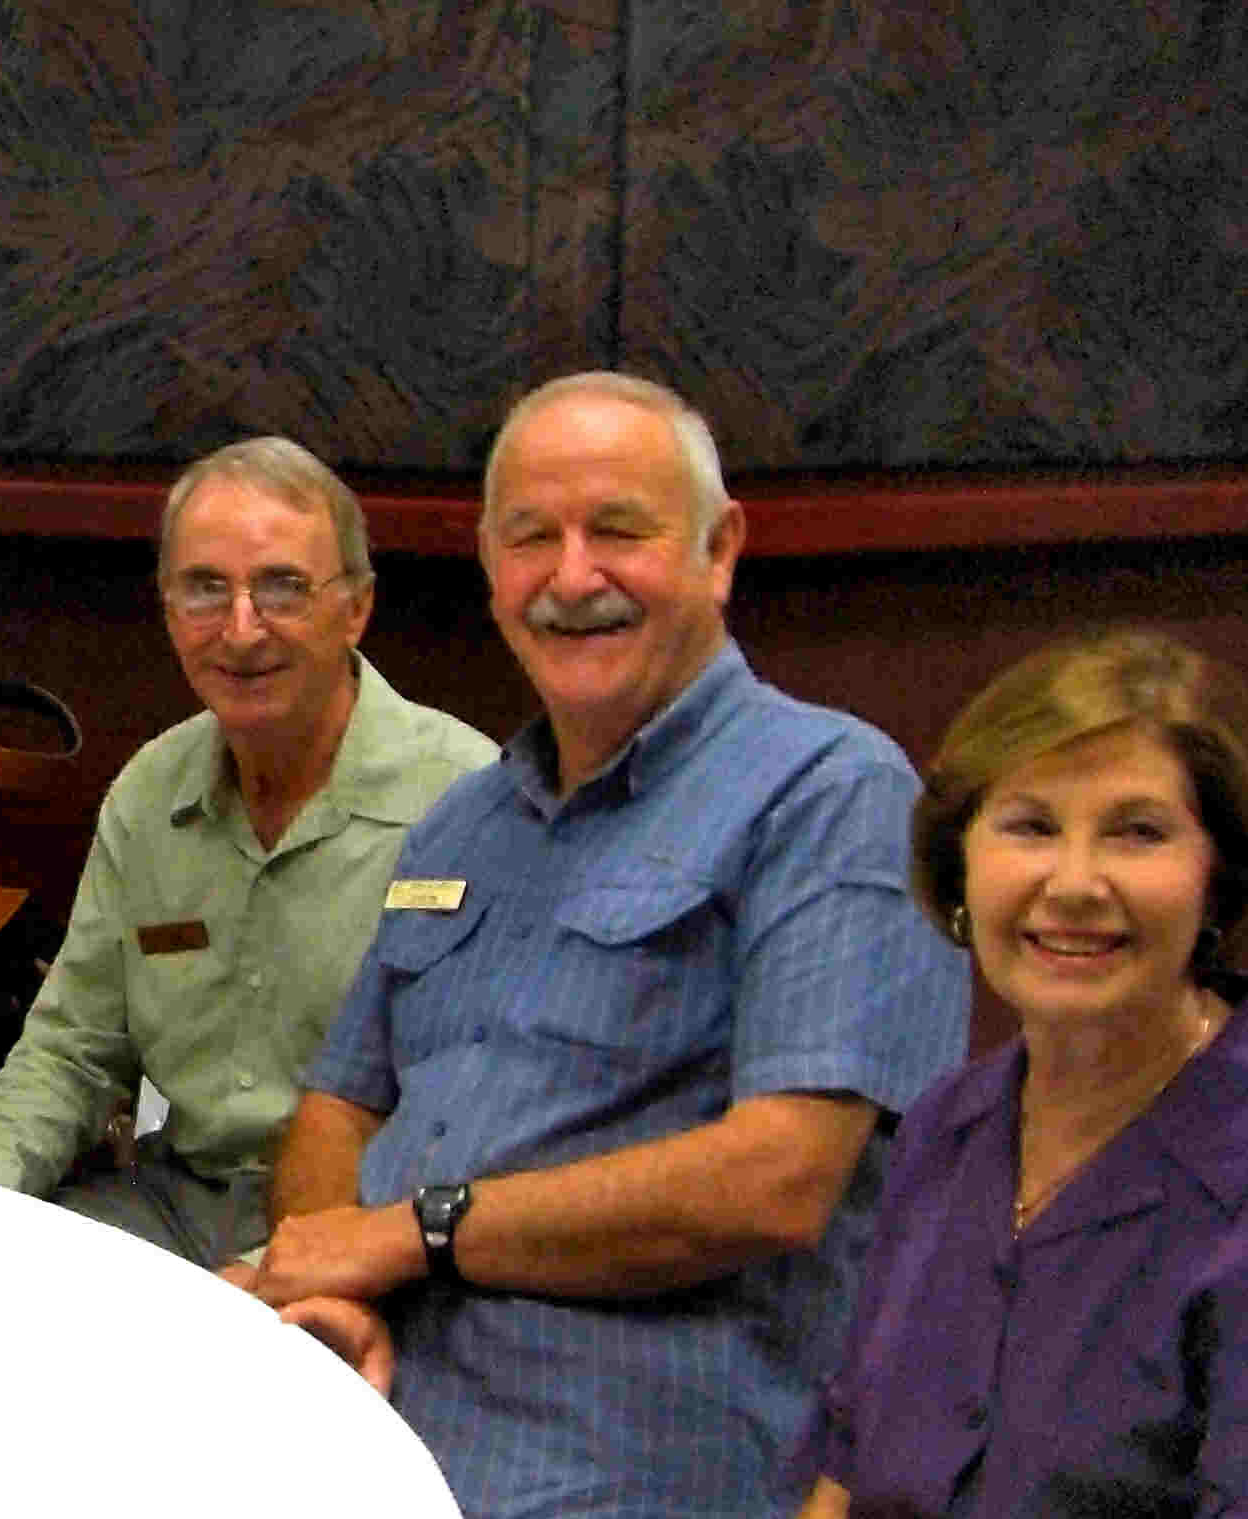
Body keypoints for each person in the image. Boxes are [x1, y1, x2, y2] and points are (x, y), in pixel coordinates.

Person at [245, 372, 968, 1515]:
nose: (571, 578)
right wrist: (347, 1290)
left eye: (617, 531)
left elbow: (776, 1181)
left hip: (616, 1448)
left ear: (720, 549)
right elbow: (343, 1103)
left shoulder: (835, 794)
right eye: (532, 538)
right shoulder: (463, 821)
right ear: (489, 566)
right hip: (363, 1392)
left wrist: (414, 1235)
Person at [0, 437, 494, 1267]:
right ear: (168, 610)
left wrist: (321, 1261)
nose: (242, 630)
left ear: (356, 607)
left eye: (282, 587)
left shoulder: (465, 799)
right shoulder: (149, 795)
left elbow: (491, 1103)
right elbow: (71, 1053)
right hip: (174, 1210)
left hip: (378, 1227)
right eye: (206, 590)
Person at [798, 630, 1248, 1516]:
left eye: (1138, 832)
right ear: (961, 862)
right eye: (1032, 825)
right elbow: (843, 1479)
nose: (1074, 882)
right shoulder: (944, 1127)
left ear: (1219, 883)